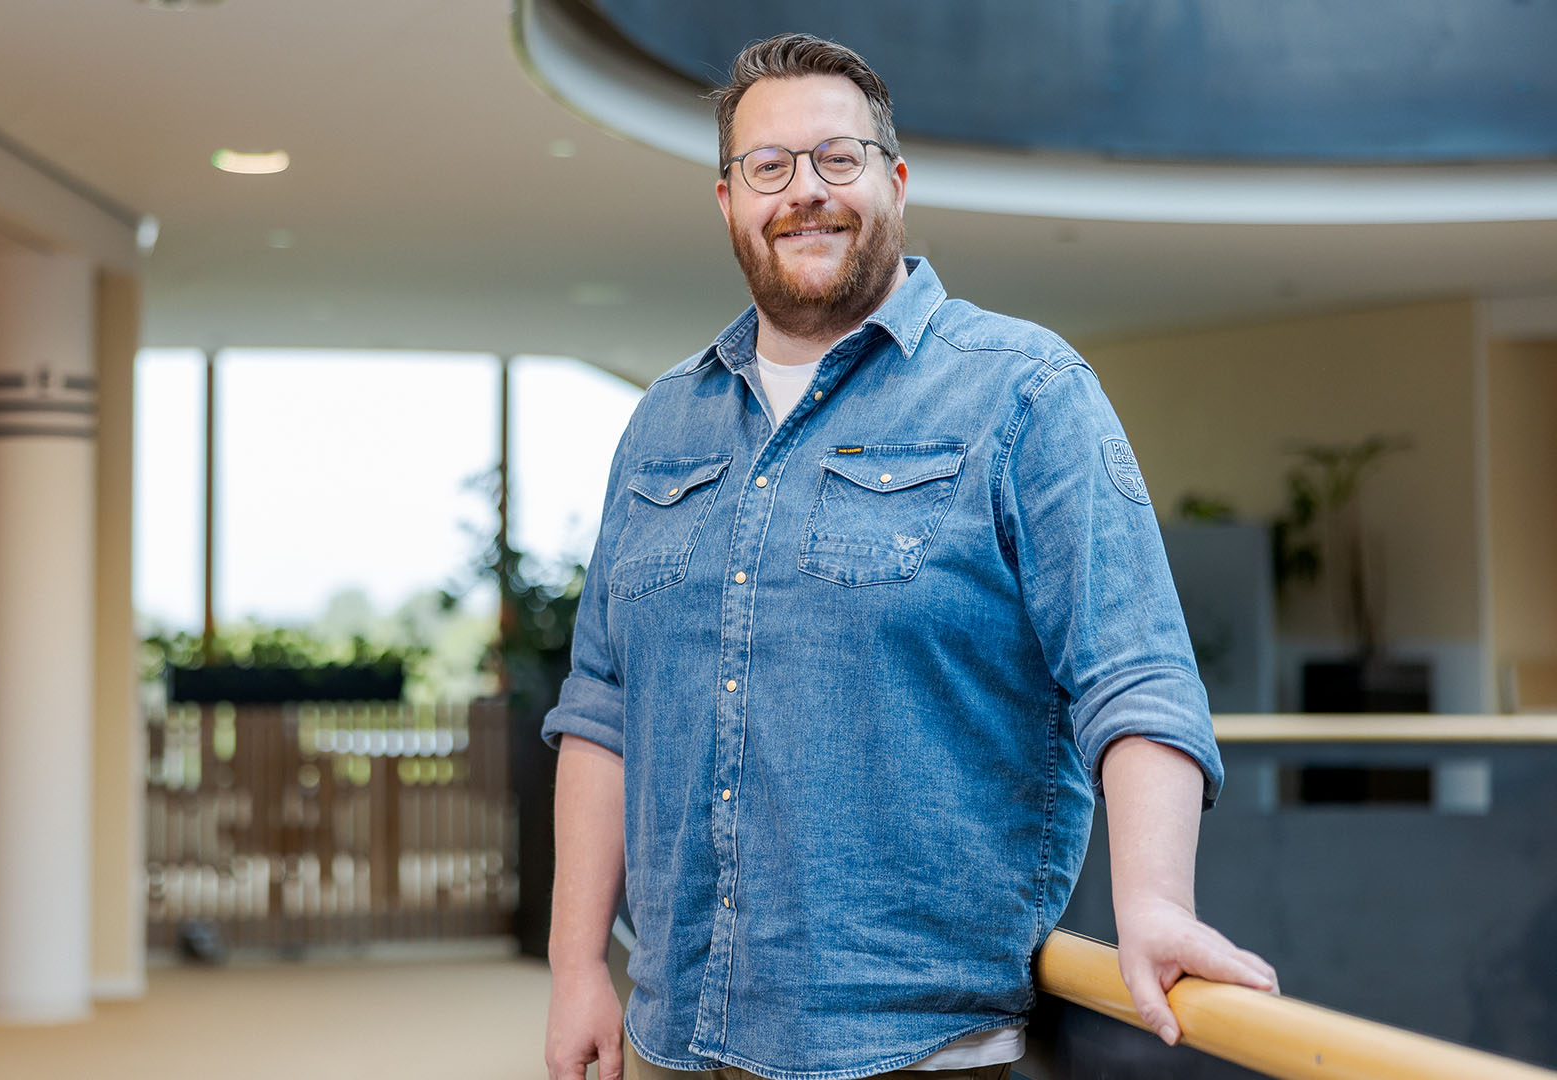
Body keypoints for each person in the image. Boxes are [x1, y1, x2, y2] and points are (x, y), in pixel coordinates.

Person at [540, 32, 1277, 1080]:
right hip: (679, 1030)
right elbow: (603, 710)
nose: (805, 191)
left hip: (915, 1048)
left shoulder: (1024, 391)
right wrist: (577, 964)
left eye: (837, 158)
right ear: (728, 201)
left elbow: (1136, 671)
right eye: (769, 166)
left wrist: (1154, 902)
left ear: (892, 182)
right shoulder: (664, 421)